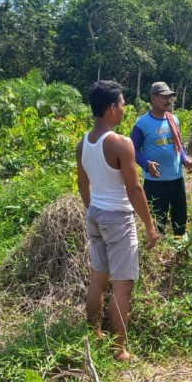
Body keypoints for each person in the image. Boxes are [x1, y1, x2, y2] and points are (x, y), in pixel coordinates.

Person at [76, 80, 160, 362]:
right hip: (118, 218)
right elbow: (134, 189)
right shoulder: (120, 143)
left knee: (98, 279)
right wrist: (150, 226)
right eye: (122, 104)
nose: (124, 108)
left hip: (95, 214)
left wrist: (93, 210)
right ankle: (119, 350)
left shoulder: (84, 143)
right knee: (122, 286)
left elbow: (83, 183)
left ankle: (95, 334)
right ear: (112, 108)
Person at [130, 82, 192, 236]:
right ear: (153, 98)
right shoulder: (142, 123)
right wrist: (147, 164)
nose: (168, 100)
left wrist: (185, 160)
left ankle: (179, 245)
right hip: (155, 182)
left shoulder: (173, 119)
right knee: (157, 219)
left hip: (176, 178)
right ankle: (158, 247)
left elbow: (178, 145)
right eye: (164, 97)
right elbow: (133, 149)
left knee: (180, 217)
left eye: (170, 97)